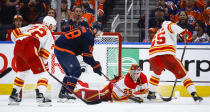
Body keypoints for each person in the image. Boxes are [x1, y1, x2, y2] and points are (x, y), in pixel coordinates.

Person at [147, 21, 203, 102]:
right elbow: (181, 32)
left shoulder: (159, 31)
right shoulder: (169, 25)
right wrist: (186, 35)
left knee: (156, 74)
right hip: (166, 55)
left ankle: (151, 94)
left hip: (153, 57)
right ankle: (194, 95)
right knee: (184, 76)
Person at [8, 16, 57, 106]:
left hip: (18, 45)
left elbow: (14, 33)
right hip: (30, 45)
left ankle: (13, 96)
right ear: (50, 25)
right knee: (44, 73)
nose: (53, 28)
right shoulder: (50, 35)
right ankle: (40, 96)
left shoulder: (34, 25)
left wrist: (21, 44)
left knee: (22, 72)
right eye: (53, 26)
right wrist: (44, 67)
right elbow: (44, 55)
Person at [54, 21, 103, 102]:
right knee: (76, 71)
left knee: (70, 73)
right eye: (99, 32)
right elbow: (86, 57)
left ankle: (63, 93)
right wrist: (95, 66)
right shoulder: (89, 37)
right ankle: (68, 93)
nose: (99, 34)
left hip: (58, 47)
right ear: (94, 30)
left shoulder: (85, 30)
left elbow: (67, 29)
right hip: (65, 49)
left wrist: (95, 64)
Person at [73, 64, 148, 103]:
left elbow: (145, 90)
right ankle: (76, 92)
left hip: (117, 85)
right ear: (130, 73)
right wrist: (136, 94)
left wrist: (138, 93)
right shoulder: (126, 82)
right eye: (133, 73)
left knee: (98, 86)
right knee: (100, 95)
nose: (136, 75)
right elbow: (116, 97)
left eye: (137, 73)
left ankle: (78, 83)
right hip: (112, 89)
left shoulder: (143, 76)